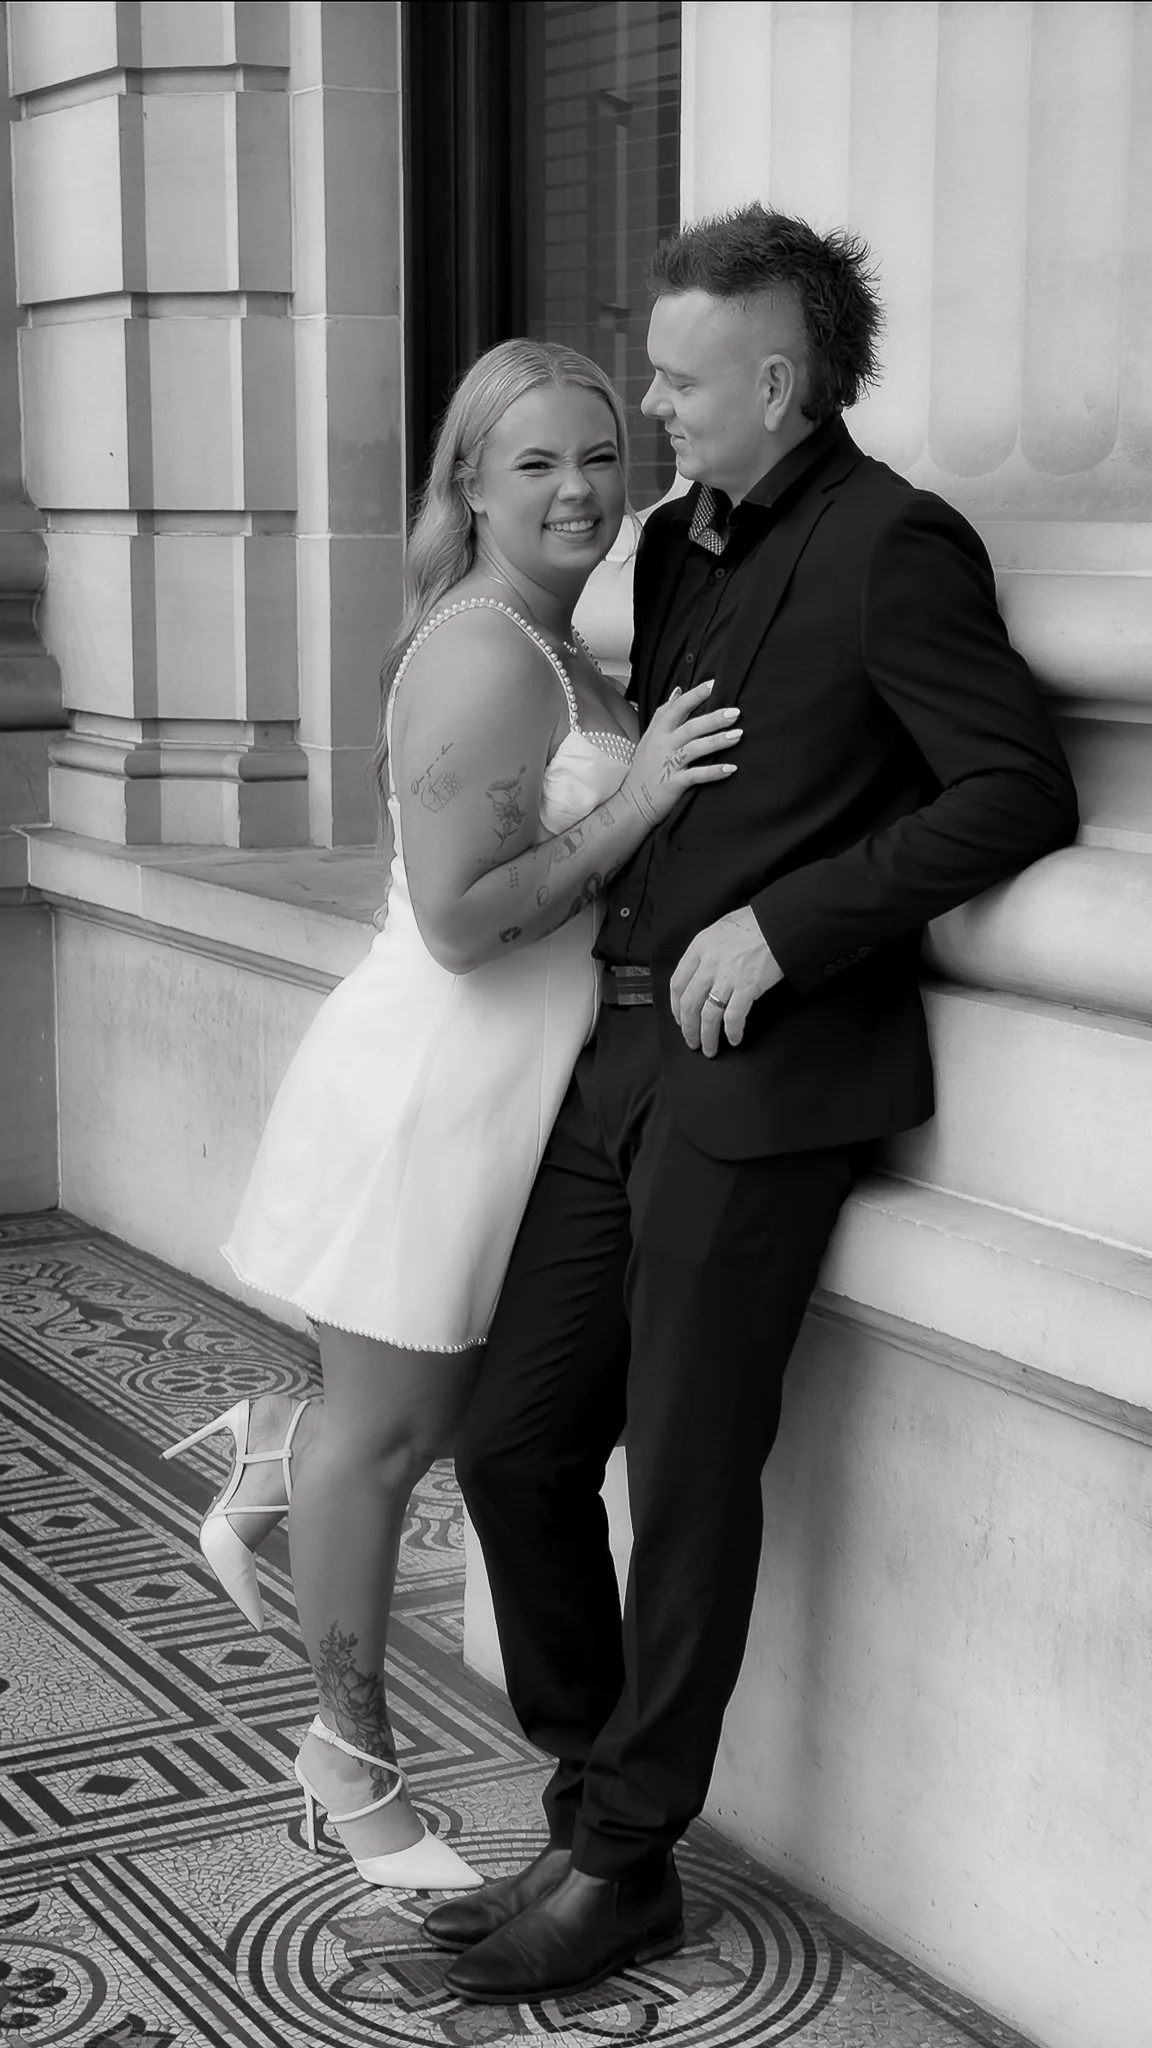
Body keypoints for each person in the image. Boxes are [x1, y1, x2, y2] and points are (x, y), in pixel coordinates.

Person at [426, 207, 1080, 1999]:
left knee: (691, 1478)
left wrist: (792, 926)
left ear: (779, 383)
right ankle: (588, 1805)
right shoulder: (672, 543)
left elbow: (1013, 788)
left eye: (679, 378)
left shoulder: (896, 546)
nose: (648, 404)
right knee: (513, 1445)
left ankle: (625, 1865)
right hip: (617, 1058)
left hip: (768, 1078)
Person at [163, 338, 742, 1895]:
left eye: (601, 454)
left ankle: (281, 1443)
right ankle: (348, 1769)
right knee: (398, 1438)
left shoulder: (559, 639)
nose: (580, 489)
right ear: (469, 483)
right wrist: (643, 800)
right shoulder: (486, 650)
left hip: (509, 1100)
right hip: (427, 1090)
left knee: (438, 1418)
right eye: (537, 461)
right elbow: (461, 922)